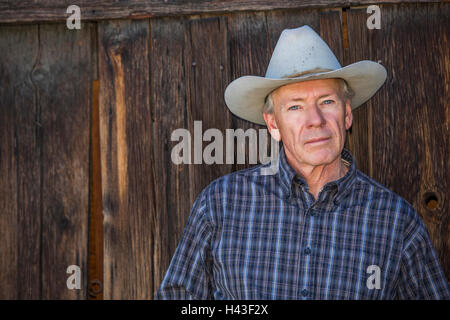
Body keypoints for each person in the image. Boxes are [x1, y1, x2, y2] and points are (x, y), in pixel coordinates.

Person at [154, 25, 449, 299]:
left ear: (347, 113)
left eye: (327, 102)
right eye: (295, 106)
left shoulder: (397, 221)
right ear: (273, 124)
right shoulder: (221, 203)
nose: (315, 121)